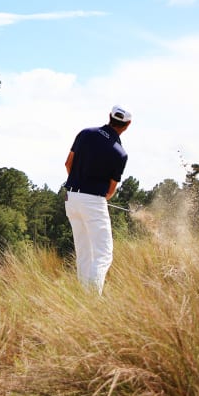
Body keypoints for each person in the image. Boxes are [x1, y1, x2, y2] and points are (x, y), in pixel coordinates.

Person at [63, 105, 132, 295]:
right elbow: (110, 190)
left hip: (71, 198)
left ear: (109, 117)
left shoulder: (85, 133)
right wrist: (96, 199)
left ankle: (84, 296)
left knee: (84, 253)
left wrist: (80, 185)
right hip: (93, 202)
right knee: (103, 254)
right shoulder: (120, 153)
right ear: (127, 125)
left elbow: (68, 163)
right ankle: (93, 299)